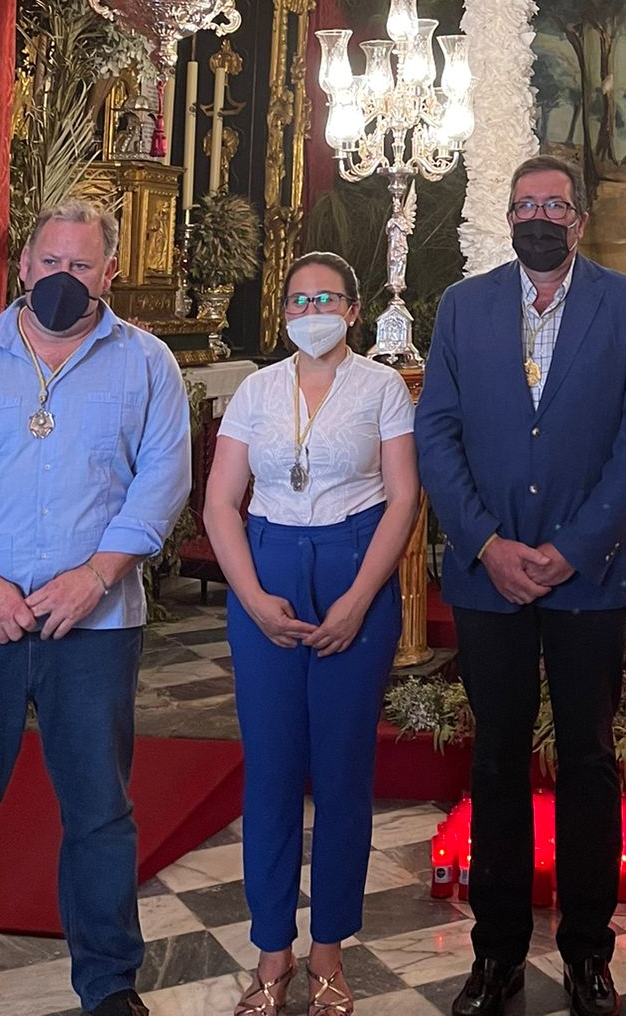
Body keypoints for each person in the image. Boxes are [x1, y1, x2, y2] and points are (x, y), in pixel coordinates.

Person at [0, 200, 192, 1016]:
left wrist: (96, 575)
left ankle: (109, 988)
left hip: (93, 628)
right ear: (22, 268)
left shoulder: (148, 364)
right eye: (49, 262)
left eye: (81, 265)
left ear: (108, 274)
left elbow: (163, 481)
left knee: (99, 815)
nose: (63, 277)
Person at [416, 155, 626, 1016]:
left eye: (555, 205)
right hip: (489, 583)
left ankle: (589, 952)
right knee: (495, 763)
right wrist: (486, 543)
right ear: (507, 215)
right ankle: (496, 955)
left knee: (590, 763)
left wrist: (574, 549)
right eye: (524, 203)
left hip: (589, 581)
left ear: (580, 220)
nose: (539, 216)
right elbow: (437, 434)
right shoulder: (464, 306)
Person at [204, 253, 419, 1016]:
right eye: (298, 300)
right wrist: (254, 597)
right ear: (284, 313)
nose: (311, 309)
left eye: (326, 297)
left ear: (354, 310)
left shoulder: (383, 387)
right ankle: (272, 954)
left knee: (340, 773)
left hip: (353, 567)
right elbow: (221, 503)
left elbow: (403, 498)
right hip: (267, 569)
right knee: (268, 773)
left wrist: (362, 599)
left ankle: (328, 950)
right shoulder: (258, 390)